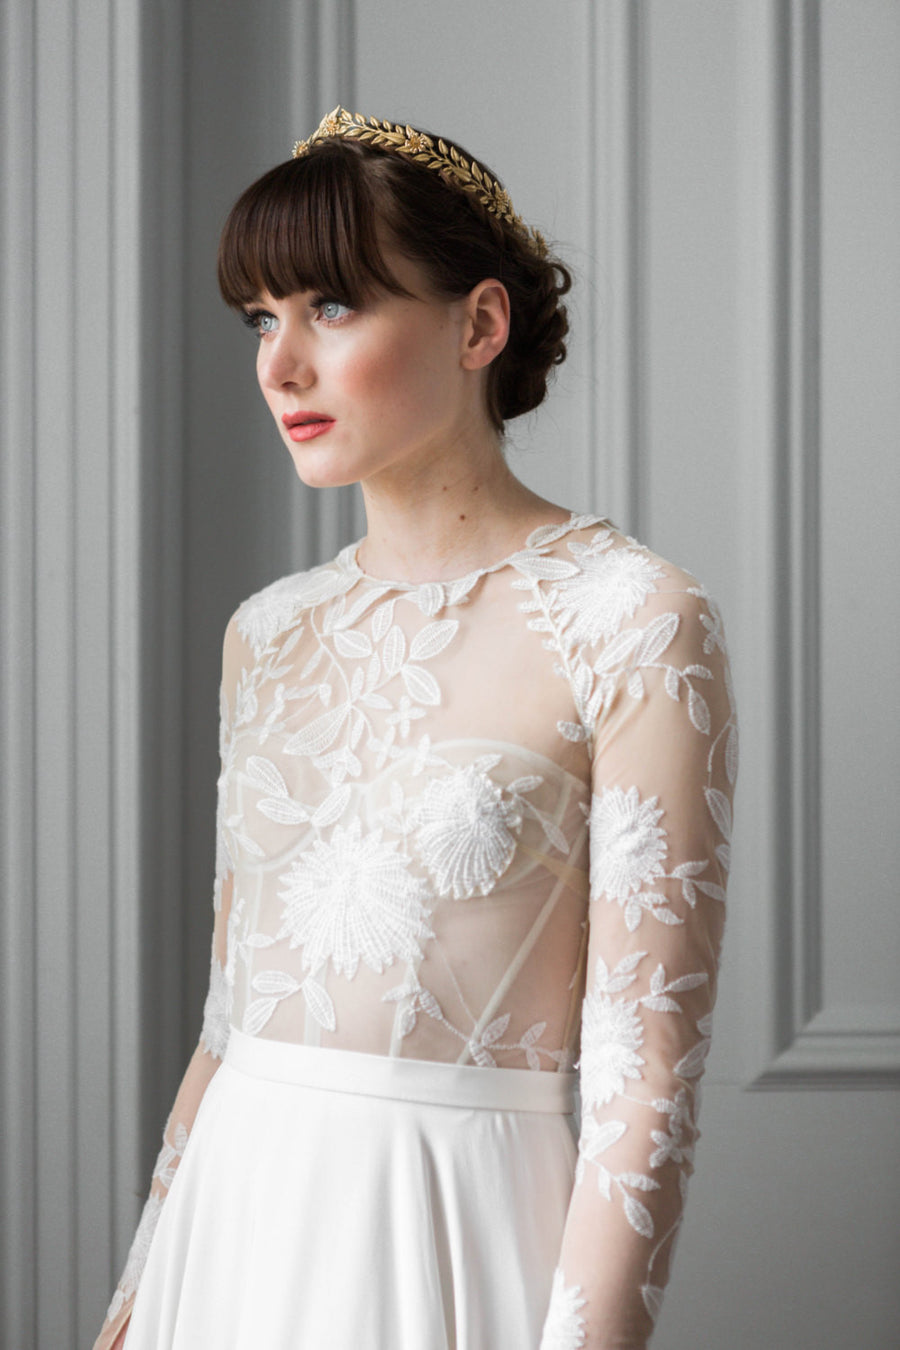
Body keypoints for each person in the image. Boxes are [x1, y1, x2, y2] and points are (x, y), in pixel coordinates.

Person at [94, 106, 737, 1350]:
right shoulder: (267, 632)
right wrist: (132, 1306)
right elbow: (229, 1024)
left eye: (331, 307)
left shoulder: (634, 617)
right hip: (227, 1238)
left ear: (479, 326)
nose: (281, 367)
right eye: (260, 319)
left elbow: (646, 1074)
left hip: (449, 1240)